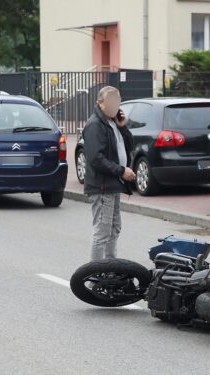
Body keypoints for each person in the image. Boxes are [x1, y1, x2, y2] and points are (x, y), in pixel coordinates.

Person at [82, 86, 134, 261]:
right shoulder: (95, 124)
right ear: (100, 102)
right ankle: (95, 275)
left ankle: (111, 268)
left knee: (114, 227)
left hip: (113, 184)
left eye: (117, 101)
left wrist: (124, 127)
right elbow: (96, 158)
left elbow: (129, 146)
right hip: (102, 185)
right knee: (102, 231)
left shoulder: (113, 123)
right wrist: (121, 171)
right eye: (110, 101)